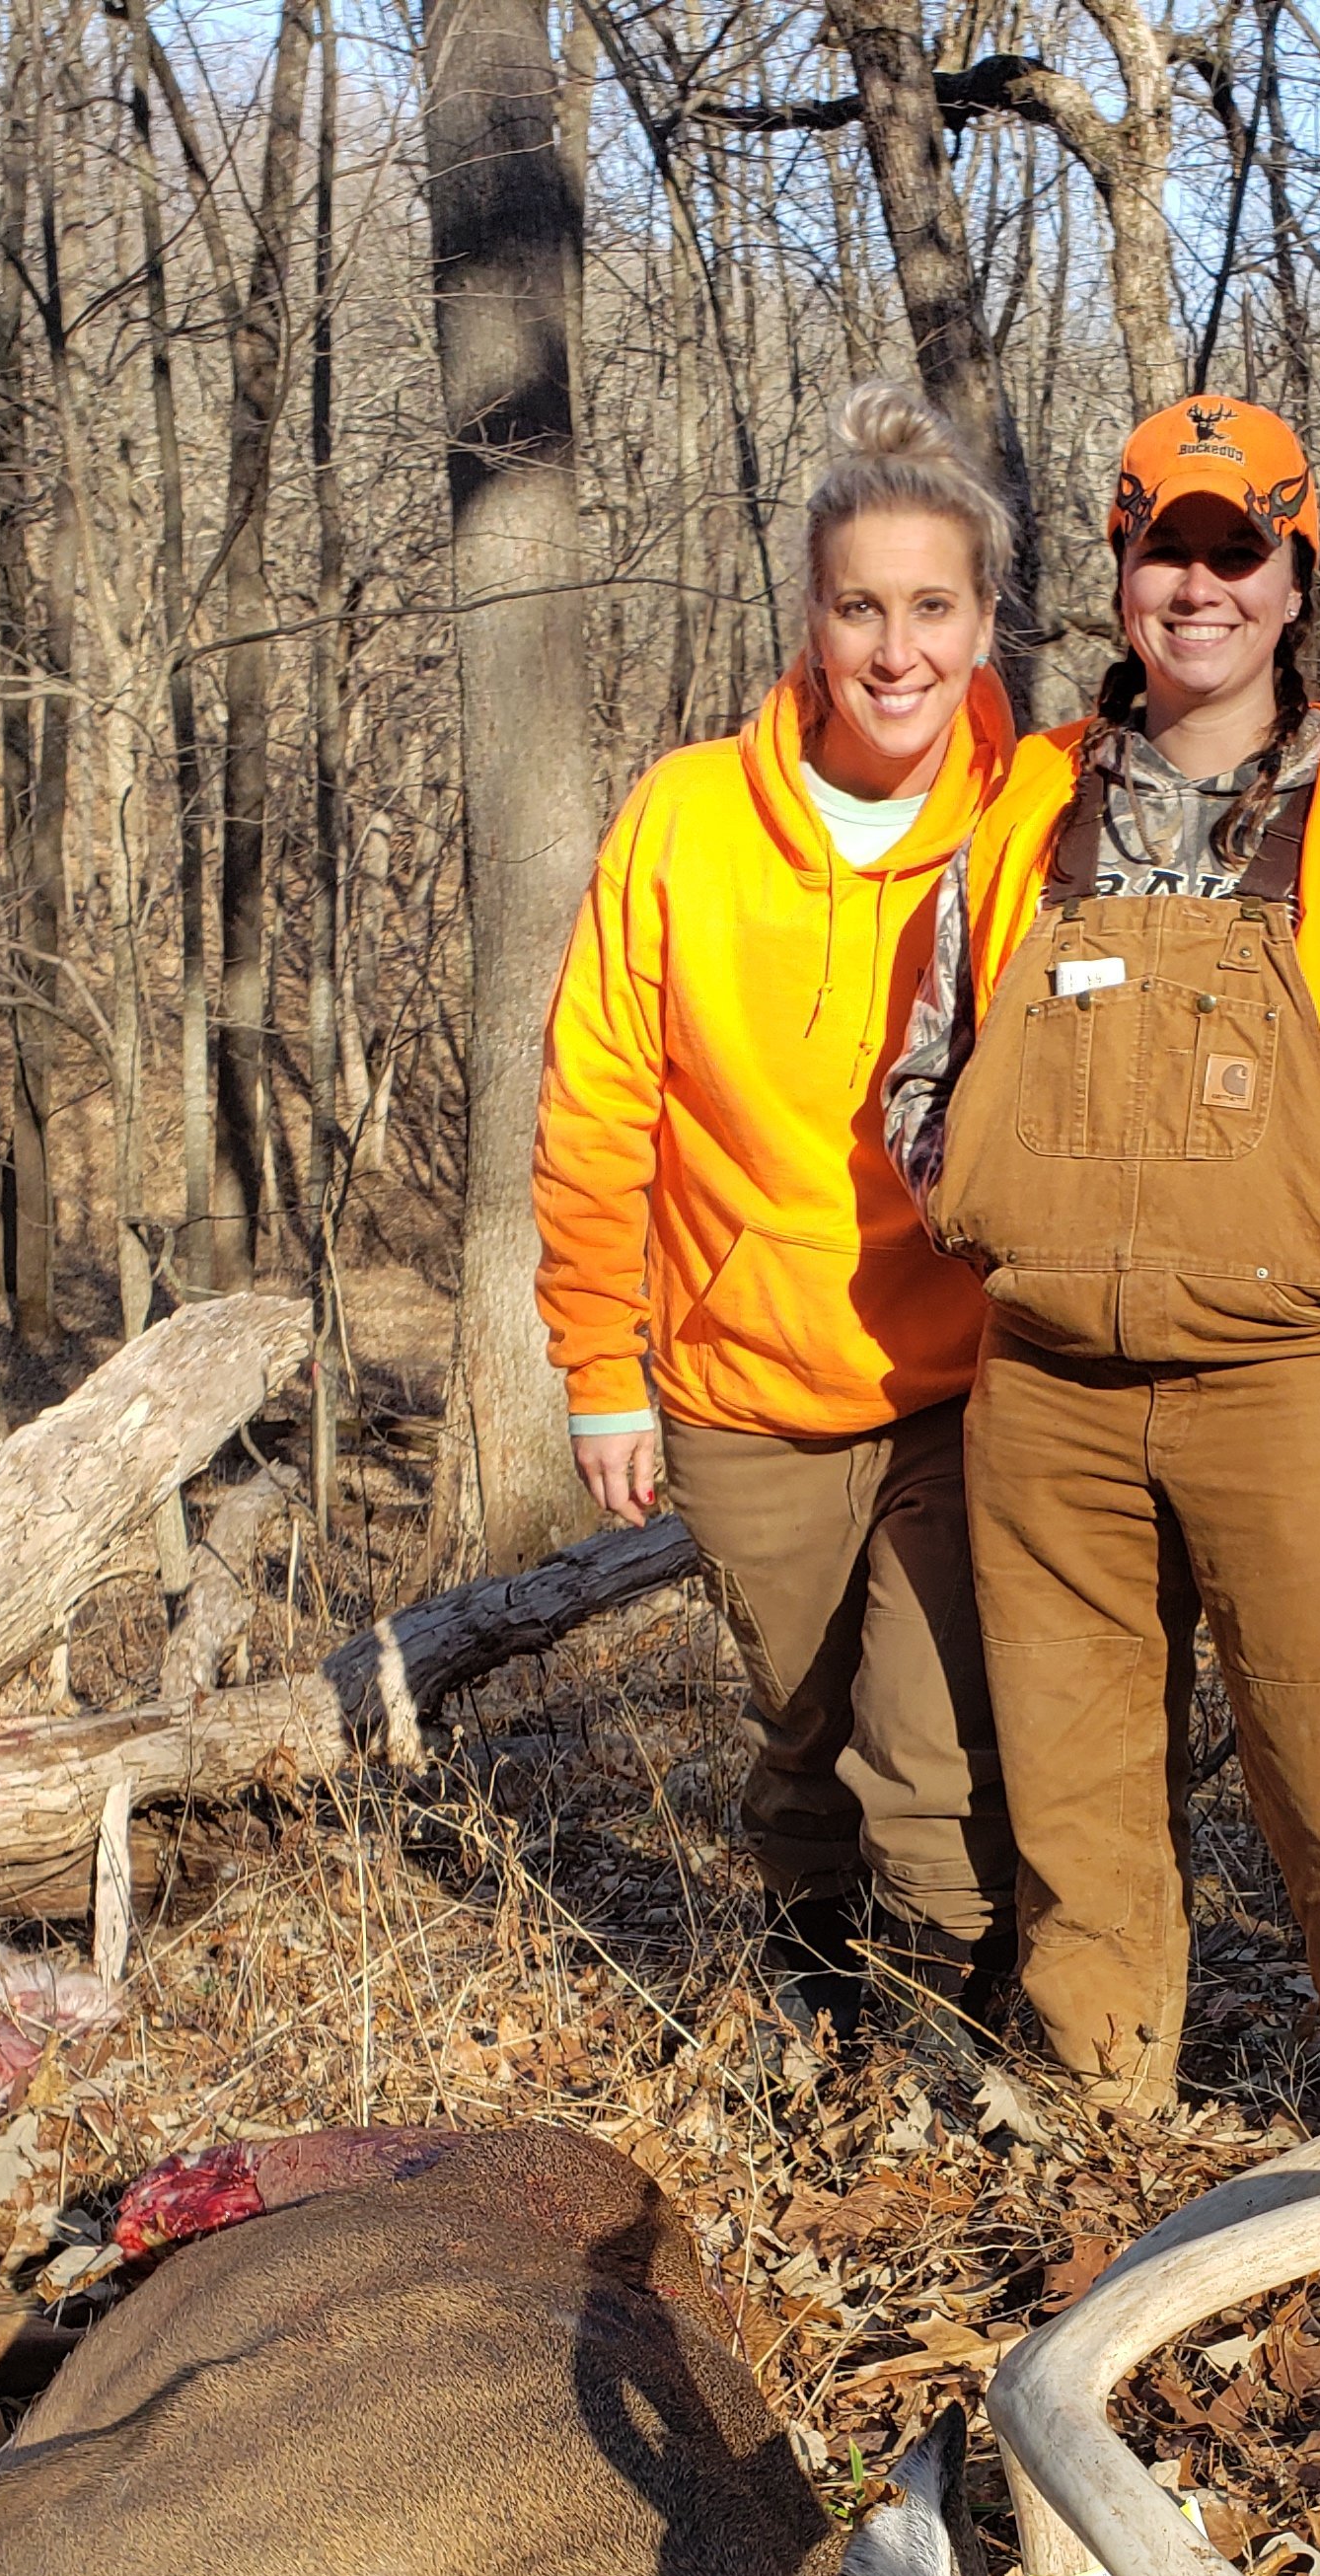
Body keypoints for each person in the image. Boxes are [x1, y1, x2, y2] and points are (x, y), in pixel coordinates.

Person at [885, 393, 1320, 2116]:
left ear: (1293, 578)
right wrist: (993, 1215)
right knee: (1077, 1796)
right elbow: (919, 1076)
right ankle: (1091, 2123)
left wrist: (1299, 1246)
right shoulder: (1018, 811)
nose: (1198, 587)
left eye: (1235, 552)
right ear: (1119, 569)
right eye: (1164, 548)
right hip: (1047, 1406)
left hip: (1299, 1385)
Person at [535, 384, 1018, 2045]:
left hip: (970, 1376)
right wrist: (602, 1364)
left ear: (984, 622)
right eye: (861, 606)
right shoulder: (684, 818)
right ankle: (816, 1990)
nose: (896, 649)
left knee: (935, 1726)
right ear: (809, 618)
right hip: (746, 1380)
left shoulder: (1037, 815)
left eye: (932, 608)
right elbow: (600, 1100)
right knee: (806, 1724)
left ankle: (938, 2037)